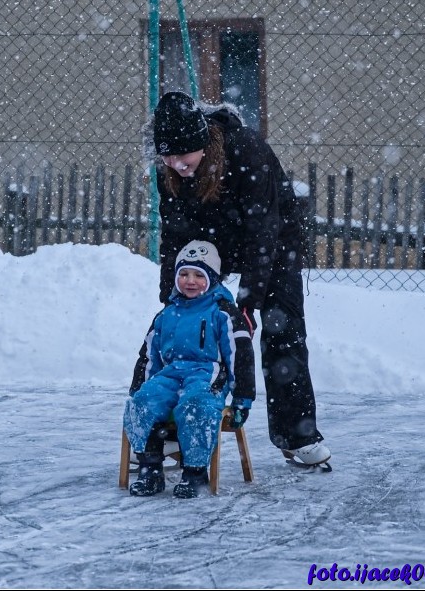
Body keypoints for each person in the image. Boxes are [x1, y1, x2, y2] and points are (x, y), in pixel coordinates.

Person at [130, 91, 331, 469]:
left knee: (282, 330)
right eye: (167, 157)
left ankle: (297, 435)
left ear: (203, 143)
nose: (175, 164)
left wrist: (249, 302)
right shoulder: (169, 171)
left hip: (272, 240)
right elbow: (174, 235)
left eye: (182, 157)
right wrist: (171, 295)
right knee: (187, 330)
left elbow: (263, 228)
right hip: (209, 239)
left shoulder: (246, 151)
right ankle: (174, 432)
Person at [124, 240, 256, 498]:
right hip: (172, 374)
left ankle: (194, 472)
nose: (190, 281)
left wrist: (242, 398)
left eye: (199, 275)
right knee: (143, 402)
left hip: (207, 374)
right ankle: (150, 469)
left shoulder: (223, 312)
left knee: (195, 406)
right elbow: (149, 355)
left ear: (213, 278)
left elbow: (240, 356)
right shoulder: (167, 314)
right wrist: (141, 388)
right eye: (183, 274)